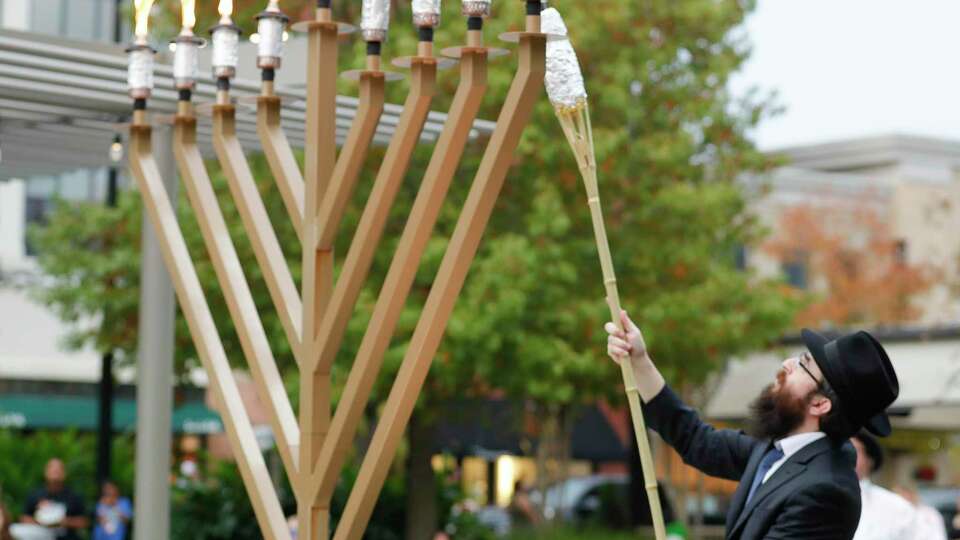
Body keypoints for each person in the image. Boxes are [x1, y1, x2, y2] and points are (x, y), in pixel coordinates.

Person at [606, 311, 900, 540]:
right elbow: (696, 439)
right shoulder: (778, 453)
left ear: (820, 404)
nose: (787, 363)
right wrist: (640, 361)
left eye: (804, 363)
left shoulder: (827, 491)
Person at [849, 431, 917, 539]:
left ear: (870, 460)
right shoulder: (819, 498)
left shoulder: (897, 508)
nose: (843, 455)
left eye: (853, 450)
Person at [20, 458, 88, 540]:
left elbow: (84, 521)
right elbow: (24, 518)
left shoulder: (74, 496)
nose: (55, 473)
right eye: (52, 470)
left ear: (64, 473)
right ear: (45, 472)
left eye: (58, 470)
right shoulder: (35, 495)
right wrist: (40, 522)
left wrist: (66, 522)